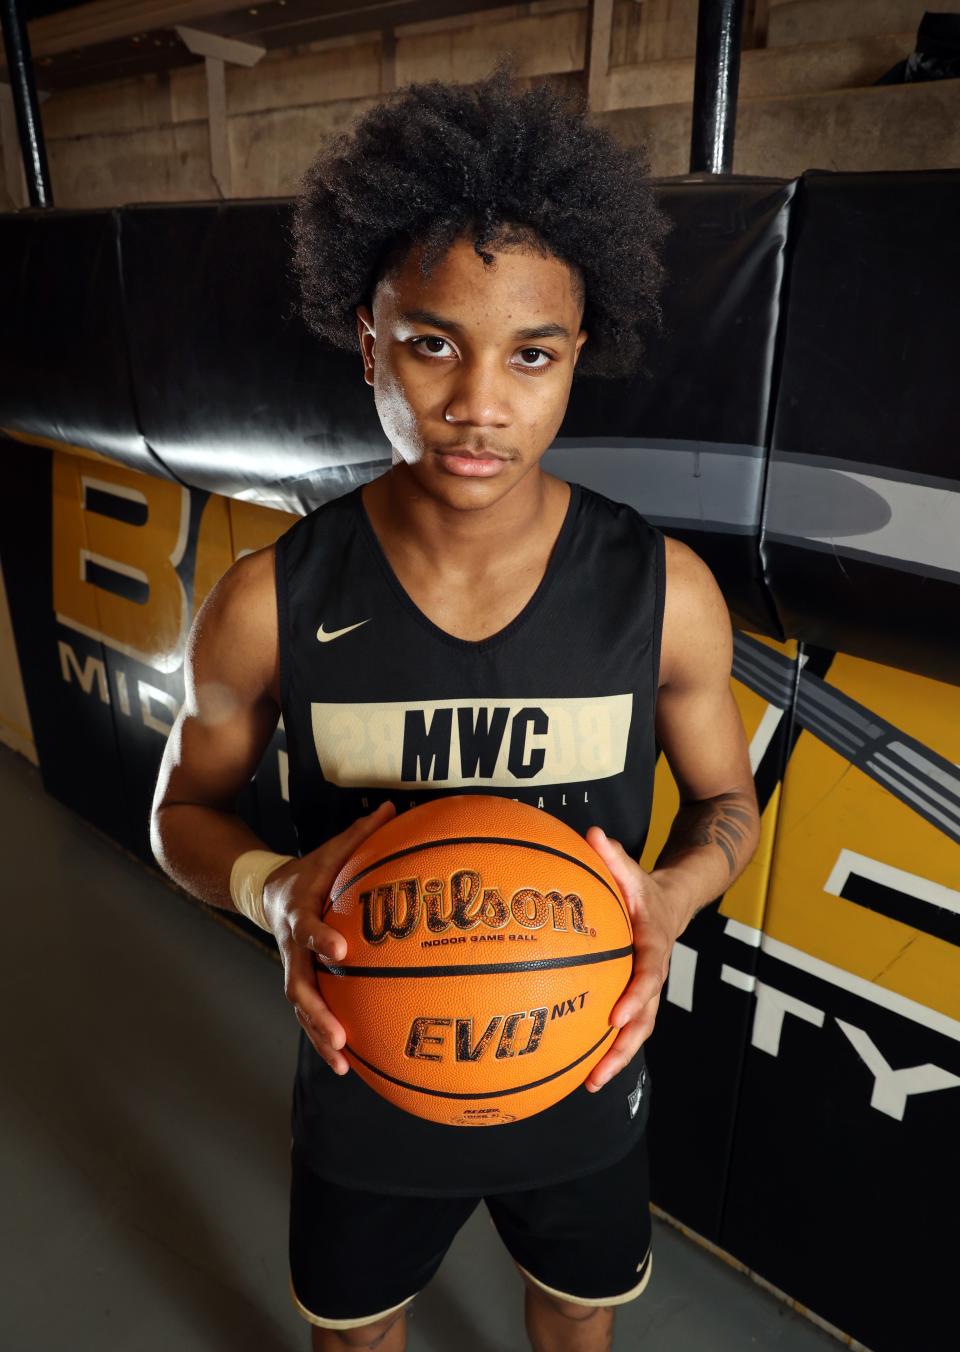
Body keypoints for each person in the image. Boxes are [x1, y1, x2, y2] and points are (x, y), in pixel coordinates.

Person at [151, 66, 760, 1352]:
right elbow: (182, 810)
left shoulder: (667, 594)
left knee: (574, 1314)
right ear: (369, 339)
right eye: (433, 341)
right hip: (368, 1062)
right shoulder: (269, 599)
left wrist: (673, 896)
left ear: (576, 355)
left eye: (531, 353)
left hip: (583, 1060)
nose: (480, 402)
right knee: (359, 1329)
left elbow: (727, 802)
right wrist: (272, 891)